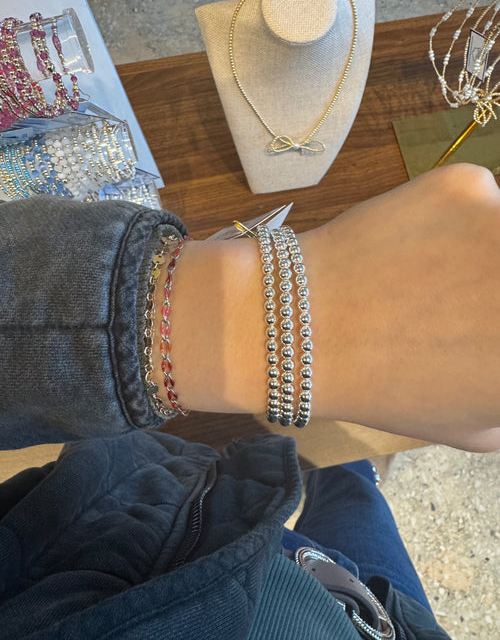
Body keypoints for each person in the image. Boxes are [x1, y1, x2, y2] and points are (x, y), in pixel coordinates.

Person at [0, 163, 498, 638]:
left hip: (165, 554)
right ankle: (348, 465)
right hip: (390, 618)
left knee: (343, 480)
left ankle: (341, 459)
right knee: (355, 492)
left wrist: (233, 308)